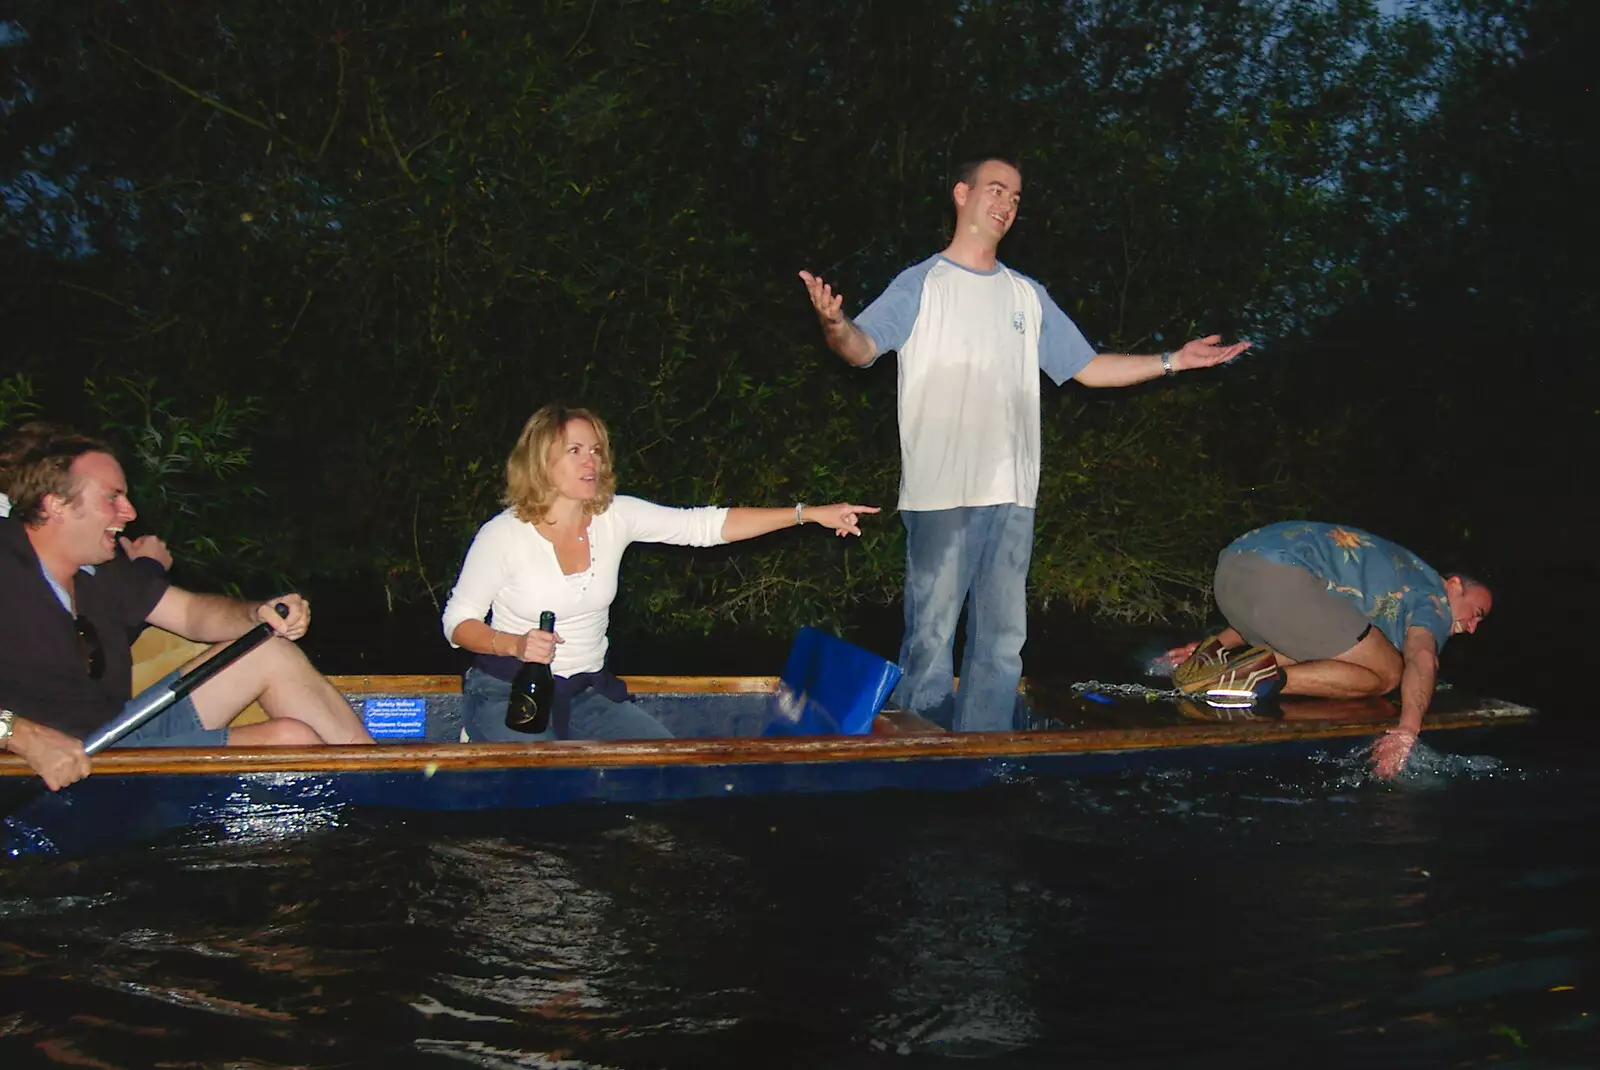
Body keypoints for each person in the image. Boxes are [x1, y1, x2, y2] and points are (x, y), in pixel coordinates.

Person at [799, 155, 1252, 732]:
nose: (1007, 205)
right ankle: (919, 753)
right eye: (996, 190)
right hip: (942, 490)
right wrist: (835, 325)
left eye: (1015, 197)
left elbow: (1088, 368)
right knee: (932, 637)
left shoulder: (1026, 295)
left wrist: (1173, 360)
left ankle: (983, 755)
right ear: (962, 195)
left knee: (1002, 640)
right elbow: (862, 349)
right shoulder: (922, 283)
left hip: (1013, 492)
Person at [441, 403, 879, 742]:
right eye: (574, 451)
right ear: (540, 462)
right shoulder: (504, 535)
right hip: (509, 692)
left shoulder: (615, 516)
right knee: (535, 797)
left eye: (595, 450)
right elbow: (457, 625)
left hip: (587, 694)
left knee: (664, 772)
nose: (590, 461)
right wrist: (515, 644)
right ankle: (477, 735)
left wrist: (807, 514)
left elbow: (705, 526)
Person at [0, 429, 374, 792]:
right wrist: (23, 735)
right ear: (56, 505)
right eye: (113, 497)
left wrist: (256, 614)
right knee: (291, 742)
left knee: (270, 666)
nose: (129, 512)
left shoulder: (103, 569)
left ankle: (379, 782)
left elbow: (191, 613)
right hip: (55, 770)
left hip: (112, 738)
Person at [1165, 521, 1493, 778]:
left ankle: (1218, 664)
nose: (1473, 627)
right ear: (1454, 586)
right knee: (1390, 671)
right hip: (1282, 577)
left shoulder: (1395, 578)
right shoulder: (1434, 595)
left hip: (1232, 570)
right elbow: (1422, 657)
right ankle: (1258, 677)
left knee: (1340, 648)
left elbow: (1292, 608)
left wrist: (1215, 645)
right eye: (1476, 614)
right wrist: (1407, 732)